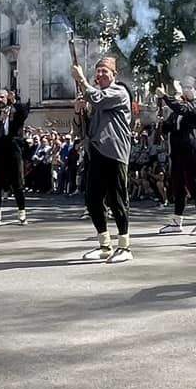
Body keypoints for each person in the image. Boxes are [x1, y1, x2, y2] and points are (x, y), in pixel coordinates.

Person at [72, 52, 135, 262]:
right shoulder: (94, 97)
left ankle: (125, 248)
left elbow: (98, 99)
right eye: (98, 71)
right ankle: (105, 244)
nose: (100, 74)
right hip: (96, 152)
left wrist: (81, 80)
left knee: (117, 200)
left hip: (115, 152)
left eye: (104, 71)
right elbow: (82, 130)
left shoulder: (119, 92)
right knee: (92, 200)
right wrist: (78, 112)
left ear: (114, 74)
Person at [159, 79, 196, 234]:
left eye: (189, 88)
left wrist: (167, 97)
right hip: (177, 152)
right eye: (184, 87)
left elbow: (186, 110)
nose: (186, 90)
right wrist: (162, 120)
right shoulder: (178, 110)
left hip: (191, 151)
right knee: (178, 187)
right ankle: (177, 222)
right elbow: (167, 128)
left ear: (195, 90)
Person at [0, 87, 33, 226]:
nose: (0, 100)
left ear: (7, 98)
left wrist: (15, 101)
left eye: (2, 97)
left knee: (18, 184)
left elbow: (25, 112)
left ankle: (22, 215)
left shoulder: (16, 111)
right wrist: (0, 120)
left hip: (14, 152)